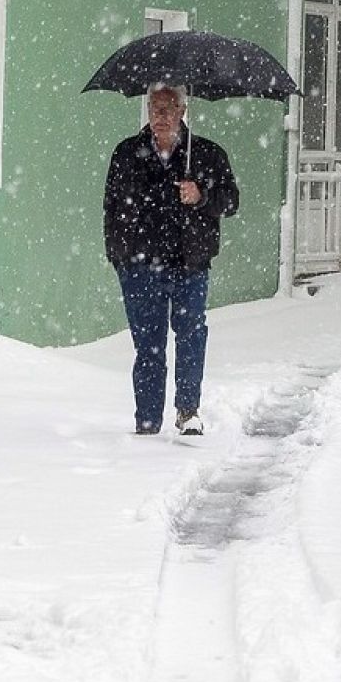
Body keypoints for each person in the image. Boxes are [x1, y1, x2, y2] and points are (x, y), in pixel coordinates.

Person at [103, 84, 239, 436]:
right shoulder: (127, 153)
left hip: (188, 262)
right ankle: (147, 421)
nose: (159, 117)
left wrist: (201, 196)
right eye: (153, 108)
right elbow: (112, 208)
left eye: (167, 109)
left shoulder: (206, 154)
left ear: (182, 111)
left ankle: (188, 410)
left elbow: (231, 201)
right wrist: (119, 257)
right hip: (139, 264)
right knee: (148, 344)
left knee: (191, 334)